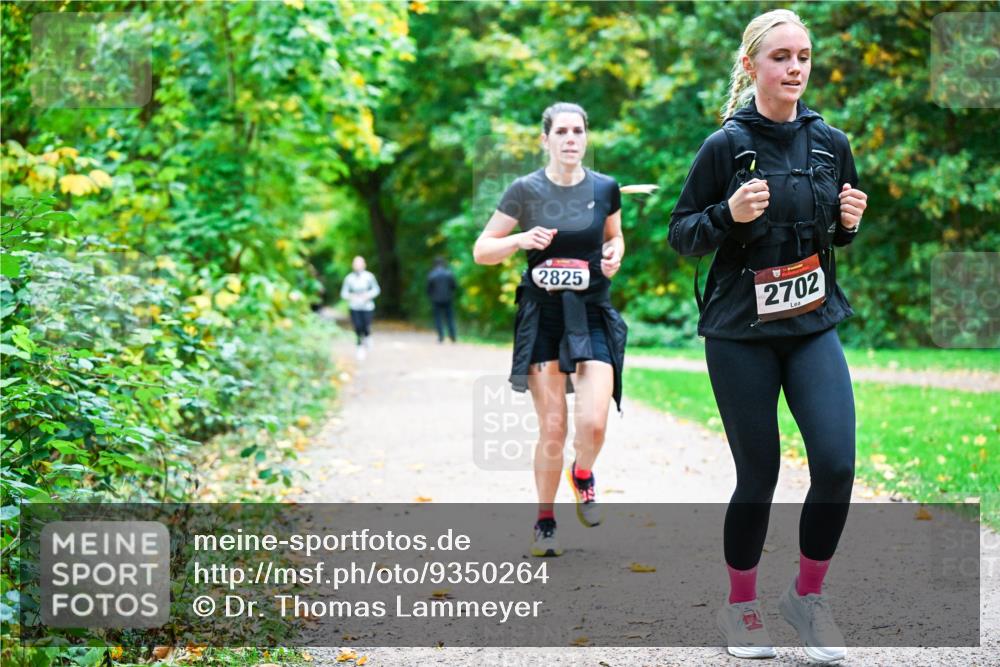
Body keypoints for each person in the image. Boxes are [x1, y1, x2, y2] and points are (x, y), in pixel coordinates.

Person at [668, 9, 868, 662]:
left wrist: (847, 223)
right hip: (739, 333)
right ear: (752, 64)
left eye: (804, 56)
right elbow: (682, 235)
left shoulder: (830, 142)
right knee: (759, 472)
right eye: (781, 56)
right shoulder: (725, 146)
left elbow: (832, 232)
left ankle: (807, 599)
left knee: (836, 463)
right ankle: (742, 606)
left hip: (811, 324)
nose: (795, 69)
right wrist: (727, 213)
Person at [473, 102, 628, 558]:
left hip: (593, 311)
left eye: (578, 131)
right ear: (545, 140)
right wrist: (520, 239)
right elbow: (483, 249)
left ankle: (583, 473)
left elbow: (615, 236)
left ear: (586, 137)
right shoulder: (524, 190)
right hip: (544, 315)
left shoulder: (605, 188)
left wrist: (615, 253)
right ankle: (545, 522)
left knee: (595, 423)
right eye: (560, 131)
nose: (570, 139)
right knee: (554, 427)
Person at [340, 255, 381, 360]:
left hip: (367, 306)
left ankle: (367, 337)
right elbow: (344, 293)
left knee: (366, 326)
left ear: (364, 265)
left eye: (360, 263)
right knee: (357, 327)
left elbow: (376, 289)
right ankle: (359, 347)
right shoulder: (349, 278)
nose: (358, 266)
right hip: (354, 306)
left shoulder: (369, 277)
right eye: (356, 263)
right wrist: (351, 296)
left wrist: (368, 295)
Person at [426, 256, 458, 343]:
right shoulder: (449, 274)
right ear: (444, 264)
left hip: (436, 300)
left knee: (438, 319)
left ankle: (441, 337)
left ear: (434, 264)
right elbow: (454, 286)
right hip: (448, 299)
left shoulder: (432, 275)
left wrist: (432, 296)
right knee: (450, 318)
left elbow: (428, 289)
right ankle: (453, 336)